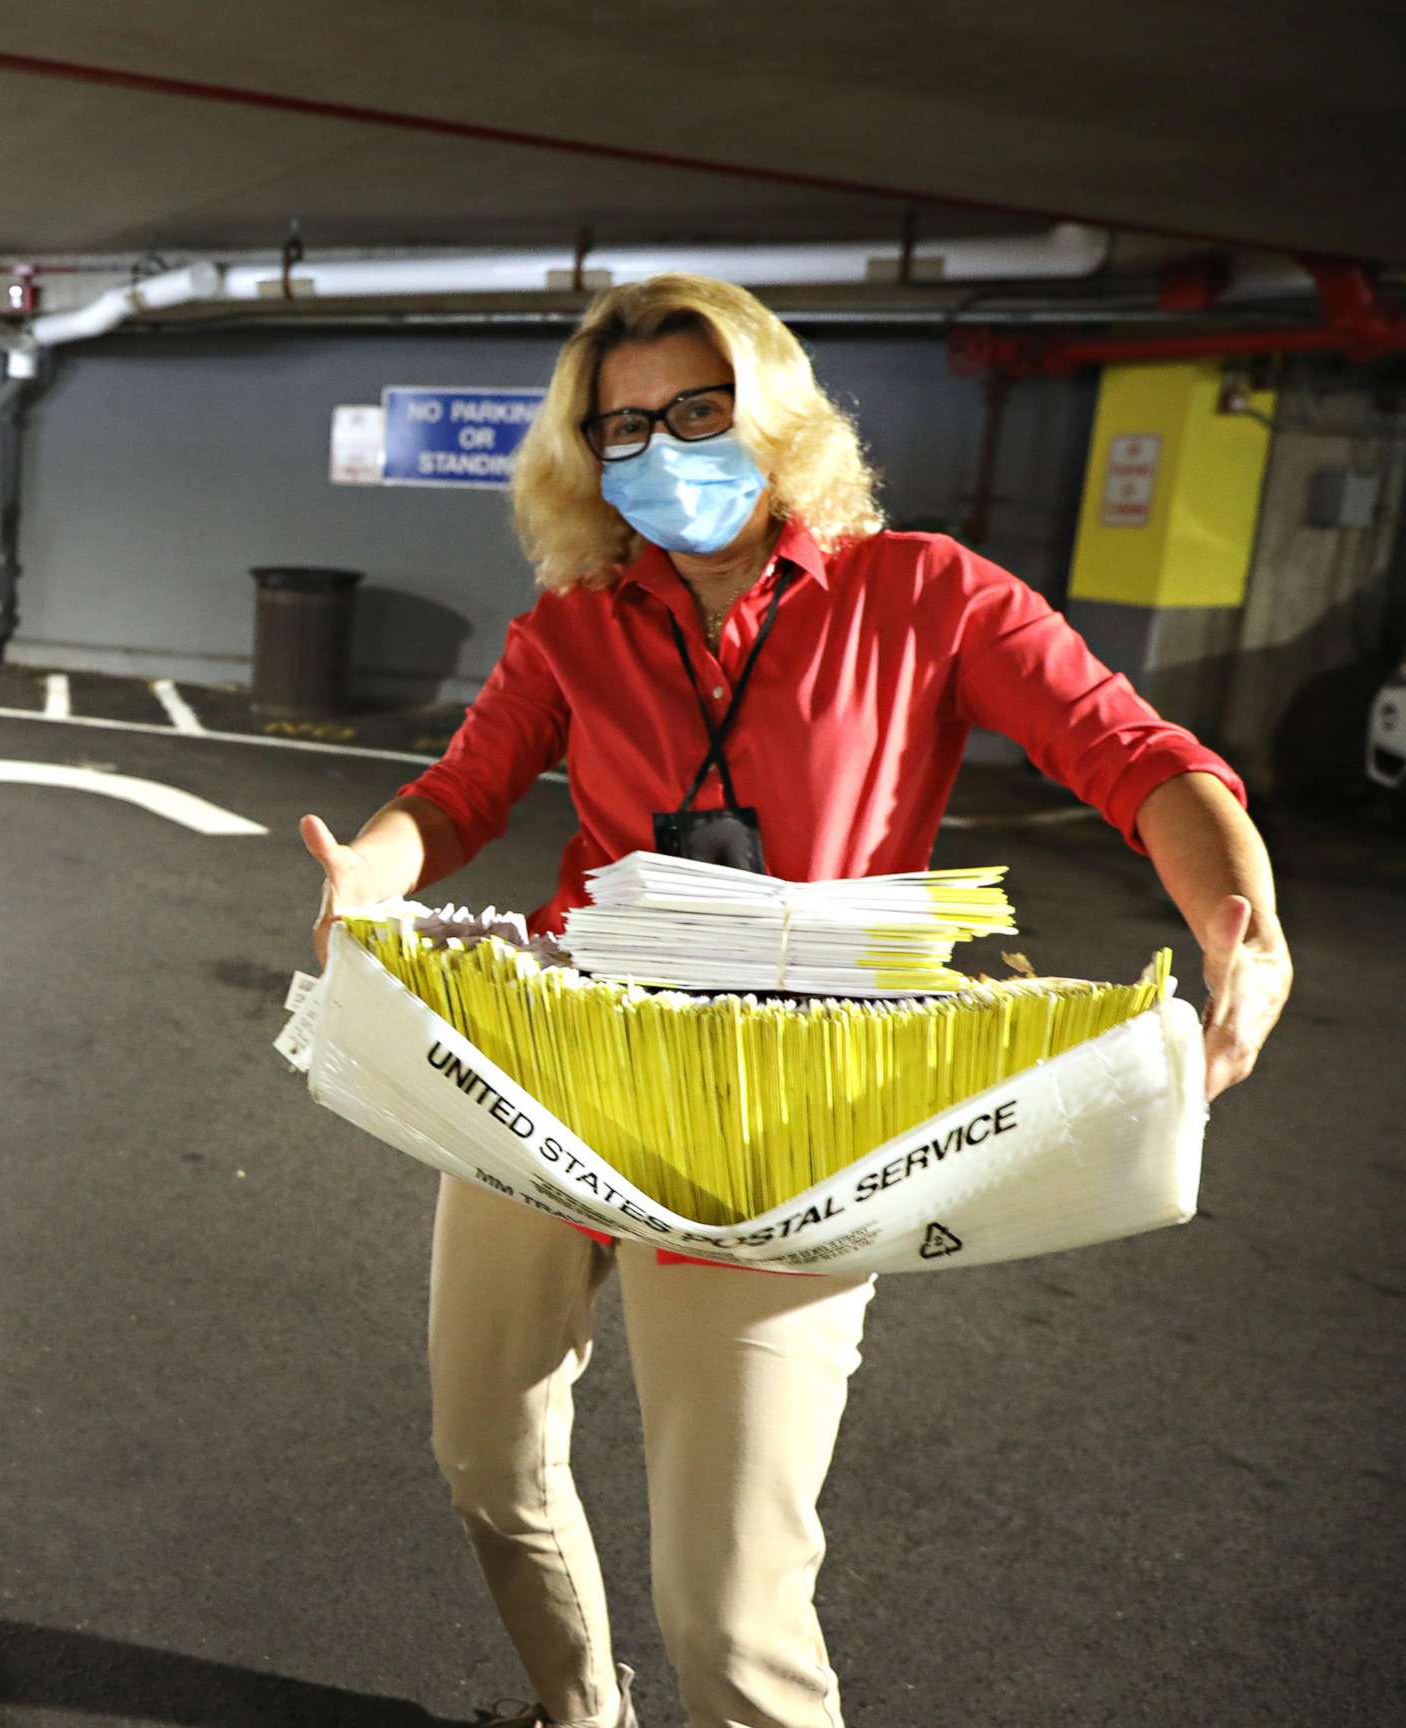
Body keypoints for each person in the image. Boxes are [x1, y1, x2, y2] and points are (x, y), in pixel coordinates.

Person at [301, 274, 1291, 1728]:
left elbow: (1135, 756)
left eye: (698, 409)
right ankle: (578, 1710)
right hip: (556, 1066)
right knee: (486, 1456)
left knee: (732, 1603)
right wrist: (368, 873)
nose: (662, 448)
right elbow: (462, 793)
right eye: (622, 424)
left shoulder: (927, 595)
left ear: (772, 411)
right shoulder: (575, 621)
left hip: (786, 1117)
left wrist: (1237, 924)